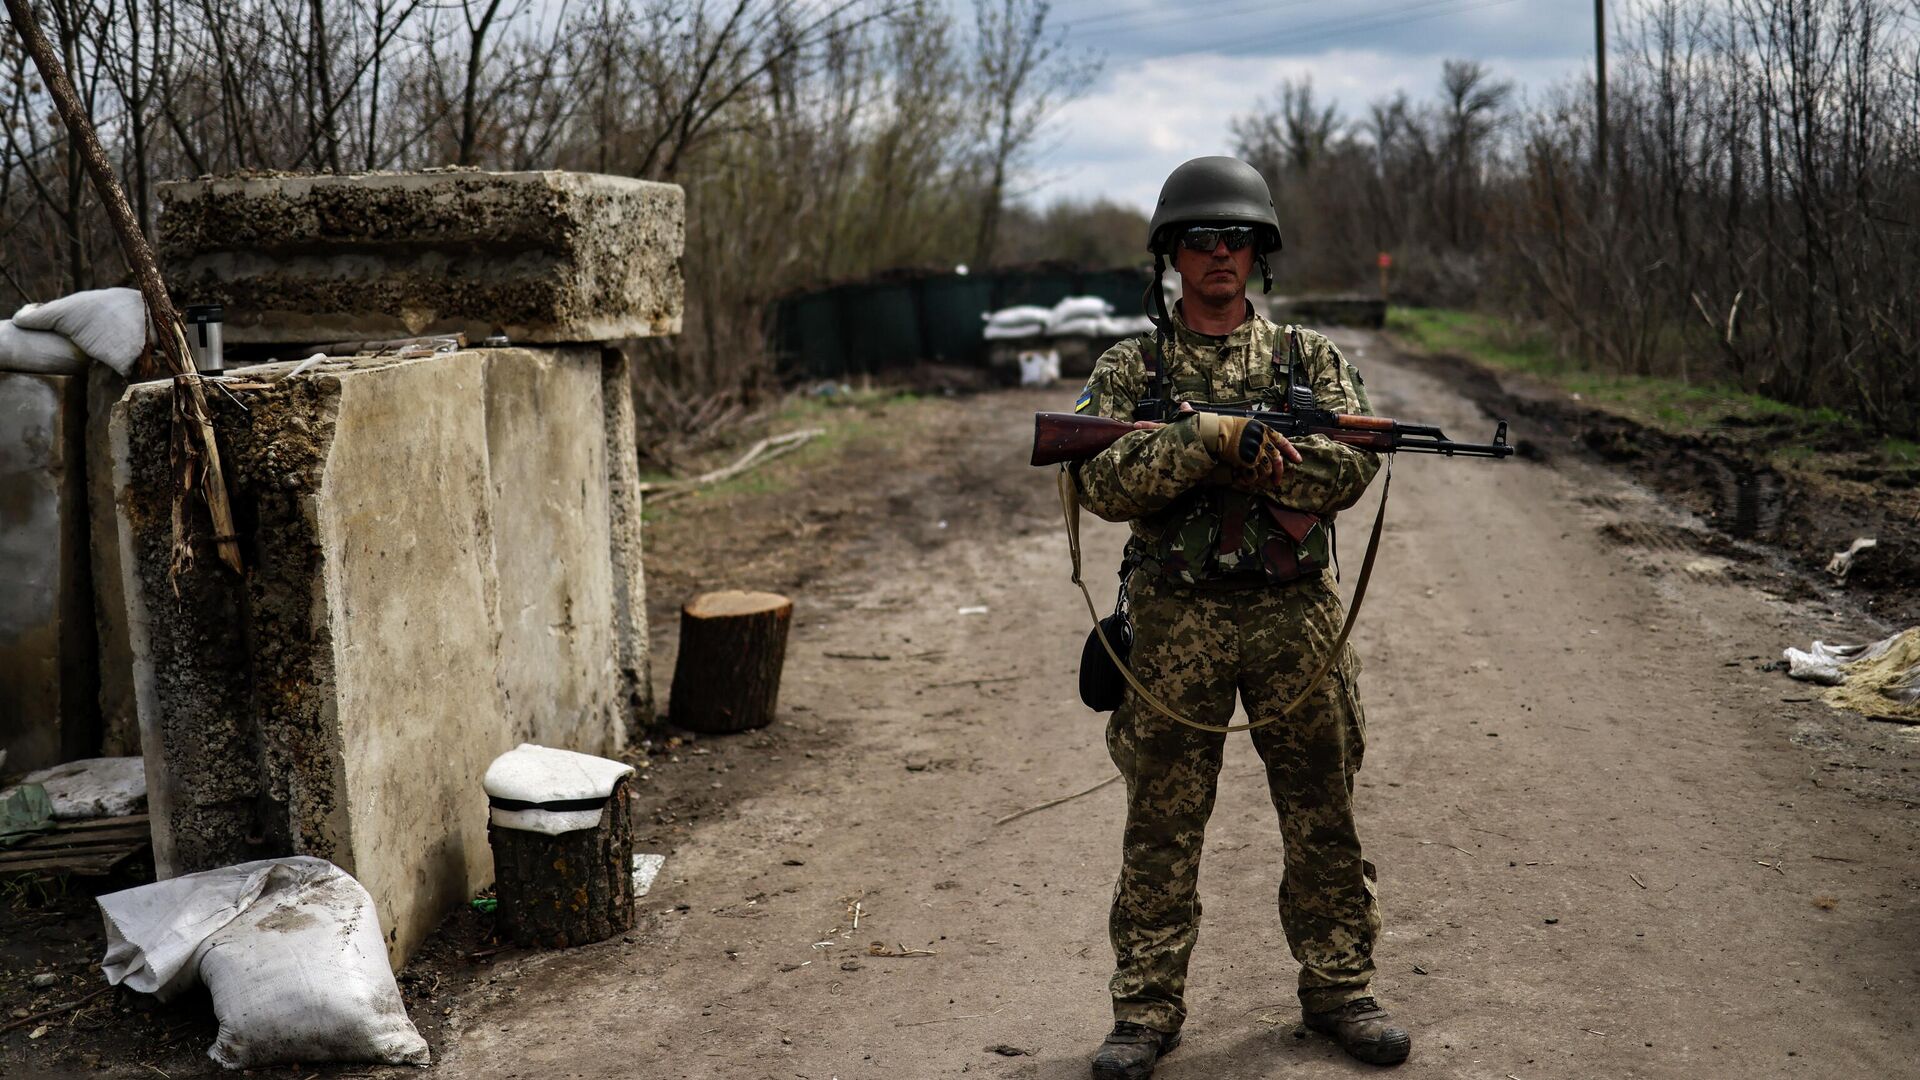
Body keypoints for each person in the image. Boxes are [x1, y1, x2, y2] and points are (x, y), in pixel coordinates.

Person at [1070, 156, 1409, 1077]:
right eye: (1201, 240)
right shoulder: (1132, 366)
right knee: (1162, 823)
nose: (1220, 256)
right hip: (1176, 623)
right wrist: (1198, 440)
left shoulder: (1308, 359)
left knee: (1322, 808)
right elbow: (1097, 481)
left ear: (1260, 255)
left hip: (1293, 616)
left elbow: (1354, 463)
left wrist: (1269, 462)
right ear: (1171, 255)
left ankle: (1341, 989)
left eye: (1237, 241)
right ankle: (1143, 1011)